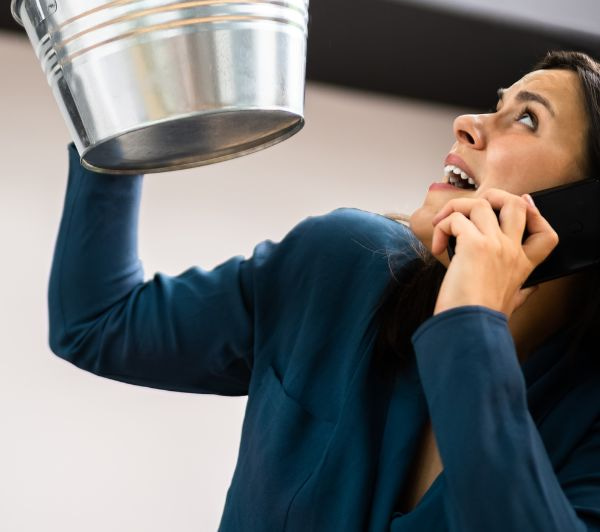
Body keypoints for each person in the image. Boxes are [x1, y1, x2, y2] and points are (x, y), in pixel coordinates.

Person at [48, 49, 600, 531]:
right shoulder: (340, 265)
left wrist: (472, 322)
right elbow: (97, 322)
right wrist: (109, 101)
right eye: (496, 105)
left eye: (526, 119)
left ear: (587, 216)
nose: (467, 123)